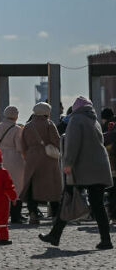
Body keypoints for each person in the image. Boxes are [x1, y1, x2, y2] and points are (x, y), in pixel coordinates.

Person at [39, 97, 114, 250]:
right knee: (97, 205)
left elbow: (73, 143)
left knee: (68, 198)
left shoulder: (76, 120)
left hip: (83, 169)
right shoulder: (94, 121)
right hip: (99, 168)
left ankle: (55, 234)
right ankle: (106, 240)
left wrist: (68, 164)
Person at [19, 102, 62, 225]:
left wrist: (28, 156)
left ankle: (33, 215)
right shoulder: (49, 124)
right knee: (53, 186)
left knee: (32, 186)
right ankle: (55, 214)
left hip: (32, 157)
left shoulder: (28, 126)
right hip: (48, 158)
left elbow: (23, 144)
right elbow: (56, 141)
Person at [0, 106, 26, 224]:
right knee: (17, 187)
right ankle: (16, 215)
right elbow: (19, 147)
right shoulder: (17, 129)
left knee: (1, 187)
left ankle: (1, 214)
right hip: (14, 158)